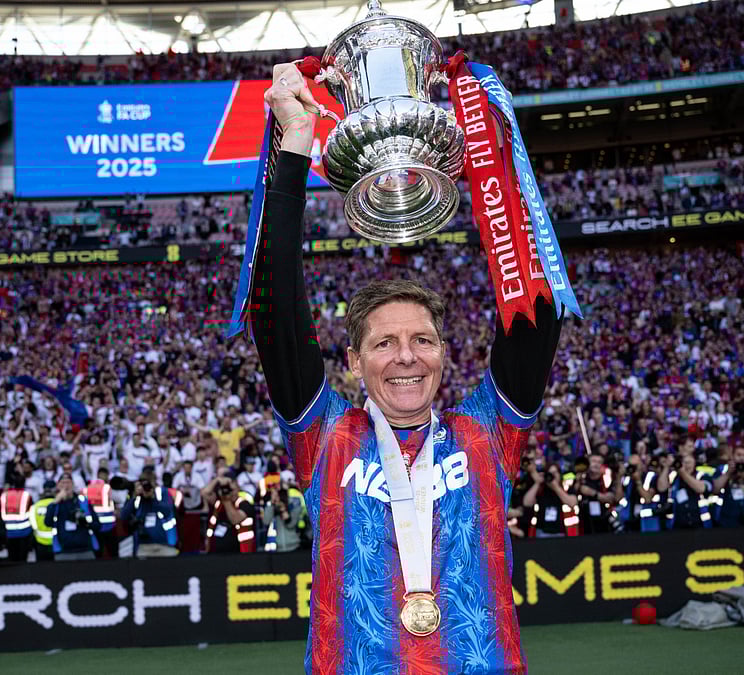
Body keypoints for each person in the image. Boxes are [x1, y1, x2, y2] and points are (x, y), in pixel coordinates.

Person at [245, 64, 563, 672]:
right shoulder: (326, 437)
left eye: (422, 340)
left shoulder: (487, 433)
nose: (406, 357)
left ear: (445, 352)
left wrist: (491, 152)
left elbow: (534, 308)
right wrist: (293, 144)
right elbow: (275, 312)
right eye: (384, 344)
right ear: (354, 361)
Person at [44, 473, 101, 561]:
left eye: (68, 483)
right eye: (63, 483)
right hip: (63, 551)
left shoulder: (83, 502)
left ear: (73, 485)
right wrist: (56, 501)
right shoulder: (54, 505)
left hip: (85, 549)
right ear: (58, 486)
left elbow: (97, 525)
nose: (66, 486)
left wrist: (85, 522)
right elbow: (47, 523)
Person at [118, 476, 179, 558]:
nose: (146, 489)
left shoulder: (161, 495)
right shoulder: (136, 500)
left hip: (162, 544)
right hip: (143, 546)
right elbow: (124, 516)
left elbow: (167, 512)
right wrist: (134, 496)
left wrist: (152, 498)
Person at [657, 451, 713, 529]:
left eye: (689, 462)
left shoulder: (702, 475)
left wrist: (682, 472)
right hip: (677, 525)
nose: (686, 466)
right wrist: (667, 466)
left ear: (694, 463)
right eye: (684, 463)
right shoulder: (673, 476)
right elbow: (661, 488)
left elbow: (701, 489)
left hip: (700, 523)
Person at [202, 475, 255, 554]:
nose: (231, 492)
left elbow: (234, 519)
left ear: (238, 488)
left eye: (232, 489)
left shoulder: (244, 504)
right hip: (216, 549)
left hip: (240, 551)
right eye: (228, 489)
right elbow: (204, 493)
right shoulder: (219, 502)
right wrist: (217, 480)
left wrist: (226, 500)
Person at [264, 485, 304, 553]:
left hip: (295, 548)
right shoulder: (274, 508)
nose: (276, 500)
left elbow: (290, 524)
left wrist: (283, 509)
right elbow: (266, 521)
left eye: (277, 496)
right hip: (279, 548)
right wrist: (271, 503)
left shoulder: (294, 506)